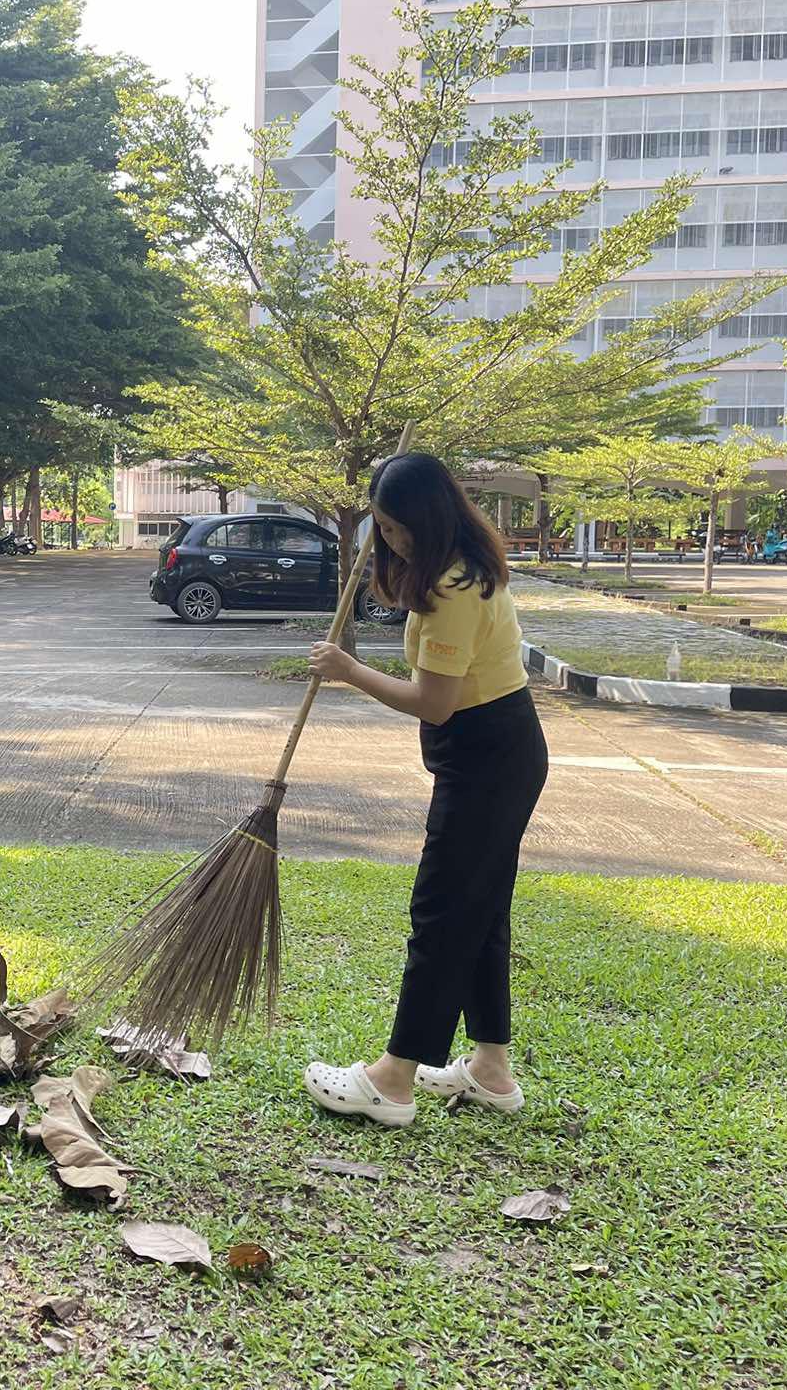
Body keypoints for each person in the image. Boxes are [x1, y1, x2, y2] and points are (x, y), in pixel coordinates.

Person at [301, 452, 550, 1128]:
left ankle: (393, 1080)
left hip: (487, 761)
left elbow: (433, 703)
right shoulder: (457, 565)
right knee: (481, 913)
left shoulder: (455, 588)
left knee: (441, 914)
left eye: (395, 527)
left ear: (428, 519)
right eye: (381, 528)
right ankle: (491, 1070)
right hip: (497, 753)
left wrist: (349, 669)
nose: (389, 540)